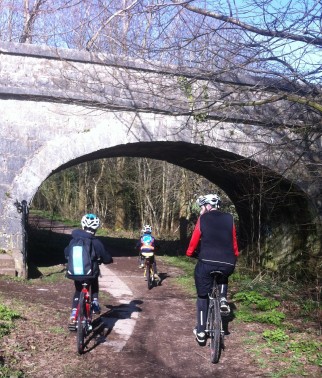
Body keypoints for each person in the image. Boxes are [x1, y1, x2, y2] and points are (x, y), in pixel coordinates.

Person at [186, 194, 239, 345]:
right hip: (228, 262)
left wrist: (190, 253)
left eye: (202, 207)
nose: (201, 210)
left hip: (207, 262)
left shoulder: (203, 218)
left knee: (202, 296)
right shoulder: (229, 218)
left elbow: (195, 239)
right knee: (224, 272)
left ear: (208, 206)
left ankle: (201, 331)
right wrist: (234, 256)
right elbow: (234, 241)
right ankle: (222, 298)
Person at [64, 213, 113, 329]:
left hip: (75, 273)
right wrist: (108, 260)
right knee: (94, 281)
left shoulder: (73, 240)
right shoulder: (96, 242)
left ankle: (73, 314)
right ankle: (95, 302)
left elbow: (66, 253)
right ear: (96, 227)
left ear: (82, 225)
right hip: (89, 274)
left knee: (78, 290)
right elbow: (106, 257)